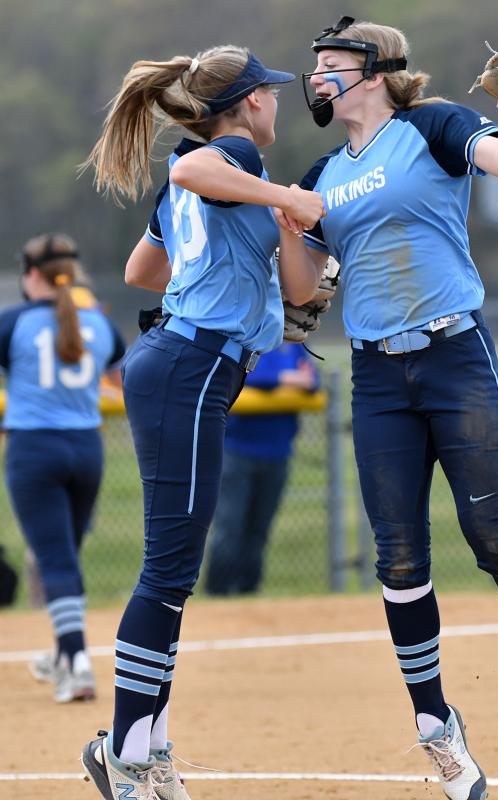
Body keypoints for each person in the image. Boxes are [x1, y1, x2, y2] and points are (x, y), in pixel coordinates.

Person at [278, 18, 498, 800]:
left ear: (374, 71)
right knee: (399, 559)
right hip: (378, 375)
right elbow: (307, 288)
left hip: (453, 356)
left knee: (492, 532)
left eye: (332, 65)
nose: (317, 79)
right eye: (313, 68)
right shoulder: (320, 174)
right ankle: (434, 727)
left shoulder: (432, 125)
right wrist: (284, 229)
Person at [79, 44, 324, 800]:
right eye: (270, 94)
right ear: (249, 103)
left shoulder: (242, 184)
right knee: (168, 573)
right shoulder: (225, 166)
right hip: (187, 366)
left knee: (174, 575)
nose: (277, 103)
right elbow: (187, 171)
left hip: (189, 367)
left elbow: (141, 273)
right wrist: (278, 192)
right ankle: (122, 750)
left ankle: (145, 747)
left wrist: (286, 224)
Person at [0, 233, 126, 702]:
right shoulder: (97, 323)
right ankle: (60, 653)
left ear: (31, 275)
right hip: (86, 450)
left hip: (35, 450)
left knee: (53, 560)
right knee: (65, 559)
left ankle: (75, 662)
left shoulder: (14, 322)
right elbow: (122, 379)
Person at [204, 343, 319, 595]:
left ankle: (249, 589)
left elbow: (313, 381)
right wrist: (288, 378)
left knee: (259, 529)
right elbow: (251, 377)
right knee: (229, 526)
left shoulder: (294, 345)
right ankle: (218, 592)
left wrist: (289, 380)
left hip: (278, 452)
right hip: (237, 450)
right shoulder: (249, 340)